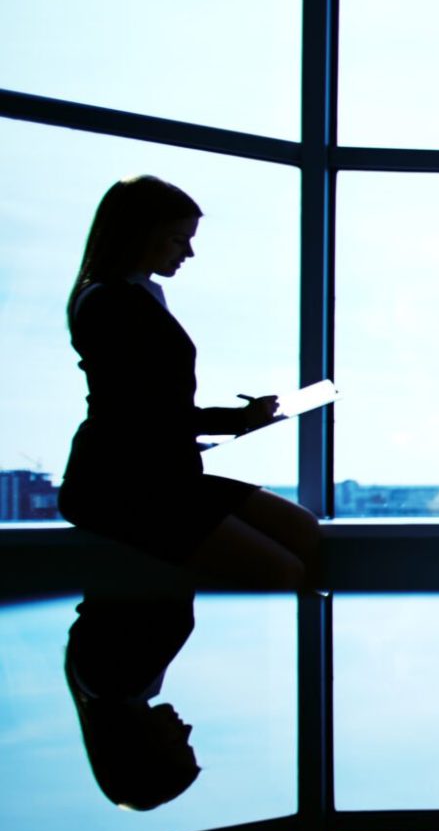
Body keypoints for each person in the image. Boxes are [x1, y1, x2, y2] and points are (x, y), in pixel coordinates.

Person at [57, 176, 321, 590]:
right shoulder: (111, 303)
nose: (189, 252)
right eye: (179, 239)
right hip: (120, 482)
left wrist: (238, 420)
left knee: (302, 529)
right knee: (283, 569)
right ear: (141, 233)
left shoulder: (134, 296)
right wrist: (239, 419)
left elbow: (150, 406)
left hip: (160, 472)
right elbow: (142, 410)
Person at [65, 590, 204, 811]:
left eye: (178, 743)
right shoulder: (111, 685)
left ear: (143, 751)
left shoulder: (113, 679)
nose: (187, 729)